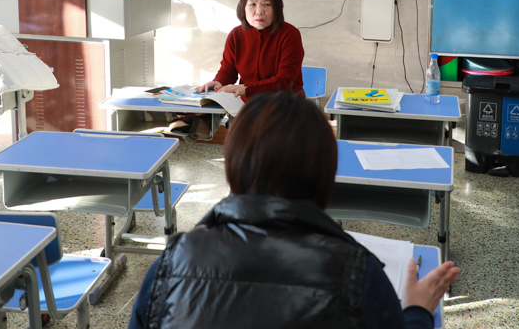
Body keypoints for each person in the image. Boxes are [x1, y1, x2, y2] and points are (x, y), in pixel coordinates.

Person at [128, 92, 460, 329]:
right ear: (325, 174)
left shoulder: (170, 264)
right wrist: (417, 311)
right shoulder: (358, 273)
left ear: (233, 166)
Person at [198, 0, 304, 98]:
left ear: (276, 7)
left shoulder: (290, 34)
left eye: (266, 4)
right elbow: (228, 71)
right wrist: (219, 82)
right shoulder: (236, 35)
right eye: (252, 4)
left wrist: (245, 89)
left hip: (285, 104)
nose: (259, 11)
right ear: (243, 7)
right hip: (248, 104)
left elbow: (284, 82)